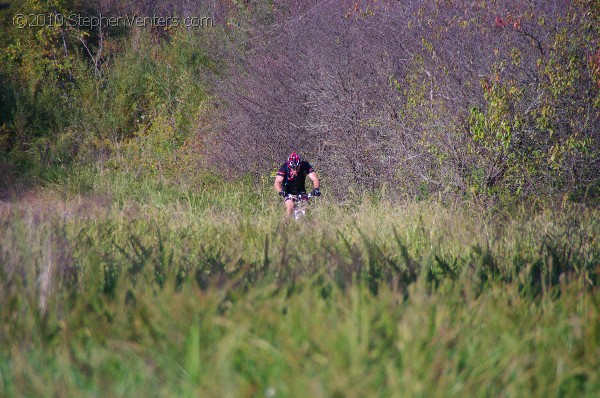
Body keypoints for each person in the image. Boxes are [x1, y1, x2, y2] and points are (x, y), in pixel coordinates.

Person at [274, 152, 321, 217]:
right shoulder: (284, 167)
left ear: (300, 165)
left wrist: (316, 189)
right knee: (290, 206)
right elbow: (277, 182)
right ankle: (284, 224)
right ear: (289, 166)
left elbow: (315, 179)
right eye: (293, 169)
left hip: (301, 192)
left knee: (305, 208)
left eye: (297, 168)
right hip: (287, 192)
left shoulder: (305, 165)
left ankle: (305, 225)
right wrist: (281, 192)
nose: (295, 171)